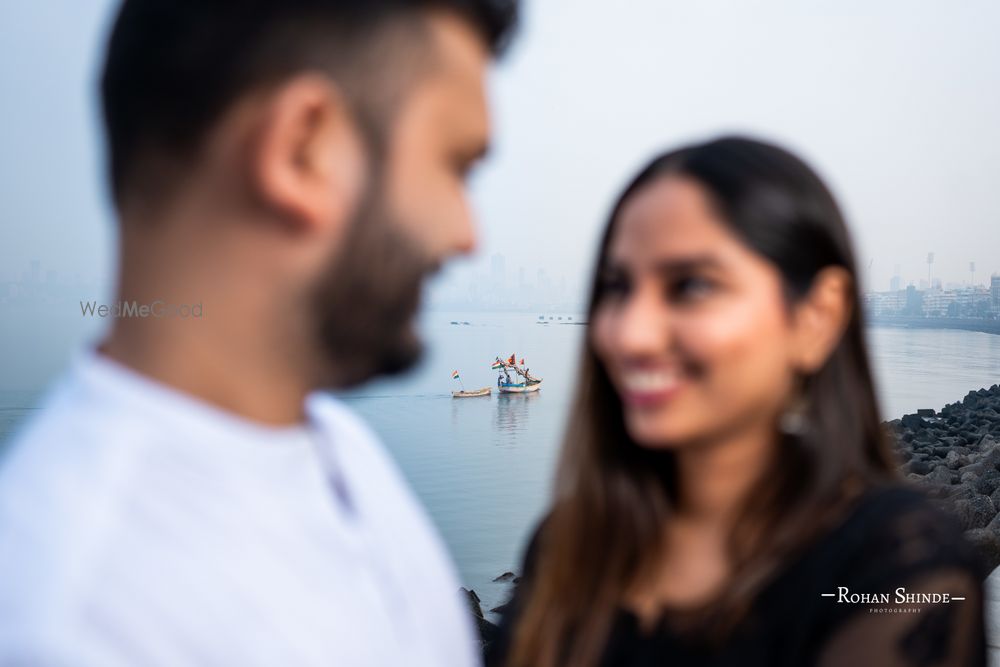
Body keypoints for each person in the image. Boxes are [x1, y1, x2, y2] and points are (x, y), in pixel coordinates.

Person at [0, 0, 516, 664]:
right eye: (456, 165)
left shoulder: (340, 449)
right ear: (302, 149)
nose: (466, 235)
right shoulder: (70, 625)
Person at [488, 137, 987, 667]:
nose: (631, 334)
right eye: (617, 286)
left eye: (692, 286)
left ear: (817, 315)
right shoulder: (569, 545)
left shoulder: (894, 572)